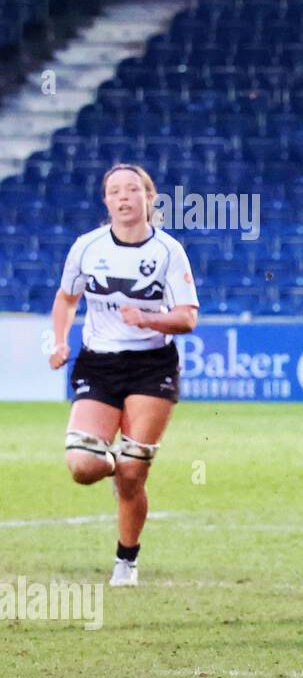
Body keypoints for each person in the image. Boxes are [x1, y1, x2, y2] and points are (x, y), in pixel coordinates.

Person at [49, 163, 200, 587]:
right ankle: (120, 461)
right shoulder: (87, 247)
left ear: (149, 198)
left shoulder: (168, 251)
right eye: (115, 190)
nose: (123, 197)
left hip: (152, 365)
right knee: (82, 465)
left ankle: (126, 561)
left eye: (132, 189)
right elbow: (66, 299)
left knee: (134, 476)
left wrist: (150, 319)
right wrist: (59, 341)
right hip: (99, 362)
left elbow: (188, 318)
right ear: (106, 200)